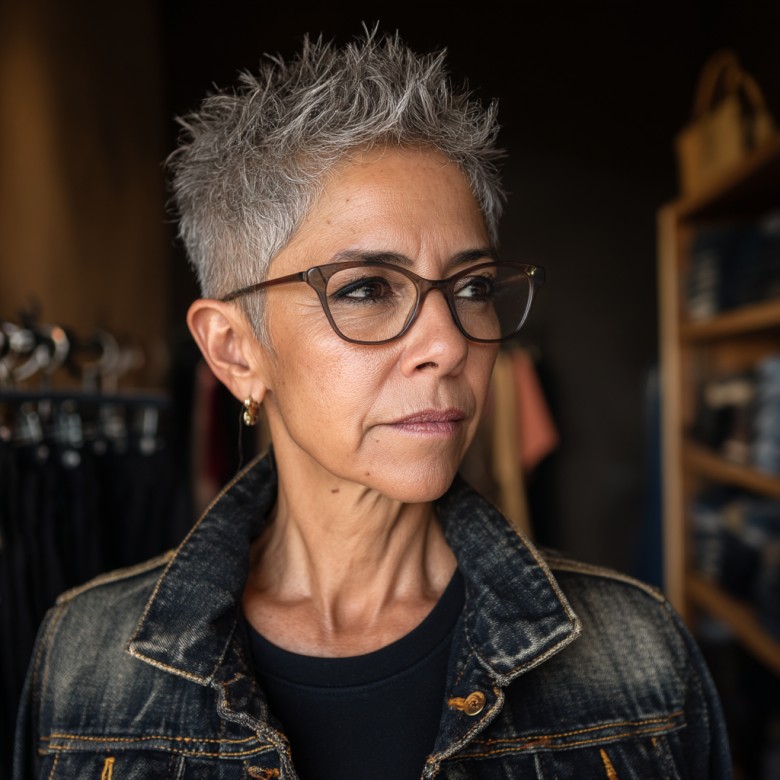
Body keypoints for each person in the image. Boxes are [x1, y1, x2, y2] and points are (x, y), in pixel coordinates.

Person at [14, 29, 730, 779]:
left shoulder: (636, 659)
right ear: (234, 351)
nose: (448, 343)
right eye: (365, 289)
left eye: (473, 287)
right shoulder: (86, 667)